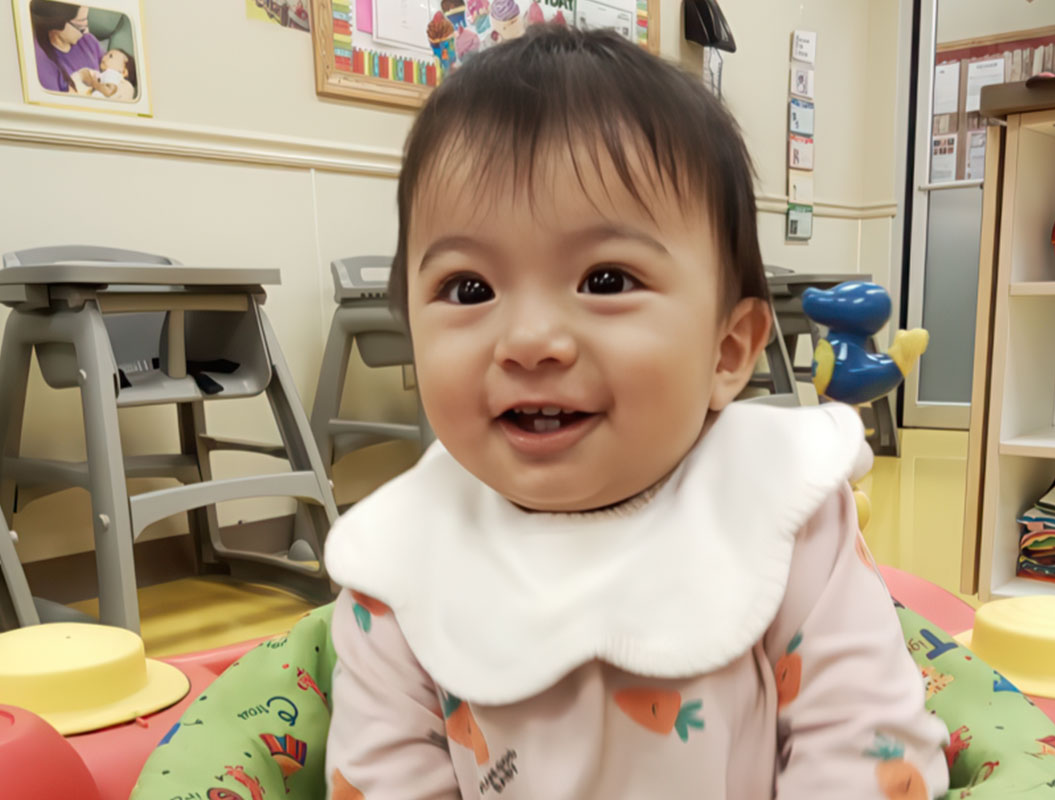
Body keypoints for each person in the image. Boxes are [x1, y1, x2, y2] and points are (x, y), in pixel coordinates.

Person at [323, 25, 950, 800]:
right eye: (469, 290)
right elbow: (385, 777)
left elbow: (865, 744)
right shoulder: (399, 560)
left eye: (607, 279)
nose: (529, 341)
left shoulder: (784, 509)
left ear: (727, 352)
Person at [30, 1, 101, 94]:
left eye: (86, 20)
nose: (86, 32)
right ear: (56, 22)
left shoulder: (89, 41)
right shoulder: (40, 62)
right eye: (81, 26)